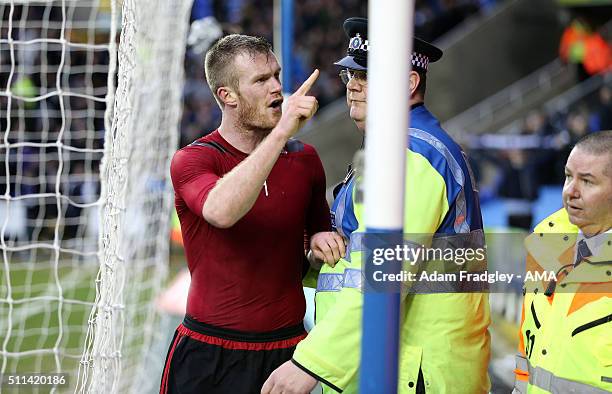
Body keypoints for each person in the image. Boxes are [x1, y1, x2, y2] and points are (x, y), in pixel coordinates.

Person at [262, 17, 491, 394]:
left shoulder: (411, 155)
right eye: (350, 75)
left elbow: (386, 271)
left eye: (367, 76)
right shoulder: (401, 149)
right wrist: (318, 256)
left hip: (414, 370)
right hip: (404, 363)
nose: (352, 85)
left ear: (409, 83)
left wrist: (311, 363)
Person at [160, 34, 344, 394]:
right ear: (226, 96)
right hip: (209, 353)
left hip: (288, 352)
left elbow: (315, 245)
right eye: (261, 80)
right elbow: (221, 212)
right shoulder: (195, 159)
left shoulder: (305, 160)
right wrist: (281, 134)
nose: (277, 88)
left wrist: (322, 243)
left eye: (276, 75)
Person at [513, 130, 612, 394]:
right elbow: (528, 341)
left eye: (587, 182)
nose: (570, 191)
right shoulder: (545, 239)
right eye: (568, 176)